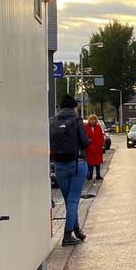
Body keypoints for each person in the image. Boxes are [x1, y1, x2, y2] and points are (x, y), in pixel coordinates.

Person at [50, 95, 90, 246]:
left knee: (69, 200)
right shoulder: (77, 121)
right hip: (77, 163)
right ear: (74, 107)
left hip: (59, 165)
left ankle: (77, 230)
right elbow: (84, 142)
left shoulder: (52, 121)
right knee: (73, 200)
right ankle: (67, 235)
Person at [84, 114, 106, 181]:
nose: (92, 121)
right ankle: (90, 175)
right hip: (89, 147)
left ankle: (98, 175)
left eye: (94, 119)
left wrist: (102, 144)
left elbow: (101, 136)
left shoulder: (98, 127)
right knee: (90, 163)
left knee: (97, 163)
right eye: (91, 119)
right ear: (89, 120)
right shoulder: (86, 127)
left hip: (97, 147)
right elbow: (84, 136)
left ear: (96, 120)